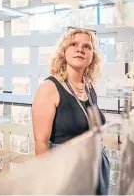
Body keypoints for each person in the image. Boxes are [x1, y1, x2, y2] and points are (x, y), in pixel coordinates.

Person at [32, 27, 110, 195]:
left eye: (87, 46)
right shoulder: (49, 88)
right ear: (63, 51)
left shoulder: (89, 86)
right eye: (73, 44)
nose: (80, 49)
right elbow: (40, 143)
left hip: (95, 167)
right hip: (66, 172)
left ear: (92, 56)